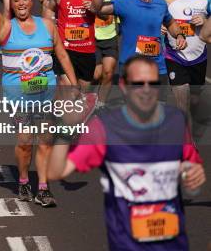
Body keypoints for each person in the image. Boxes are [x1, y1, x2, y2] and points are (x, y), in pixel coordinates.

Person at [48, 55, 206, 251]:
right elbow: (56, 171)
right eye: (139, 83)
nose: (147, 90)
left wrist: (191, 176)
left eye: (153, 83)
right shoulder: (103, 127)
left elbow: (192, 177)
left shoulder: (175, 122)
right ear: (123, 85)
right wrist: (66, 128)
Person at [0, 0, 77, 207]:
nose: (20, 4)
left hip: (46, 90)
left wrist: (74, 84)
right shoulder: (6, 28)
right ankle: (24, 180)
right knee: (26, 140)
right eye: (16, 0)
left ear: (32, 1)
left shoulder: (48, 26)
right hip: (18, 93)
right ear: (12, 4)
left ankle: (43, 187)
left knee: (46, 138)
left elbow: (62, 55)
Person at [92, 0, 187, 81]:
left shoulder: (160, 3)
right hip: (131, 68)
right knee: (136, 100)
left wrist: (179, 35)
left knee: (163, 100)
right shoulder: (124, 1)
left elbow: (171, 22)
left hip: (158, 67)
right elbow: (95, 8)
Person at [160, 0, 211, 120]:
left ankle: (191, 114)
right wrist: (159, 26)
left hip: (198, 56)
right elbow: (155, 18)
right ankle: (186, 140)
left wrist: (205, 19)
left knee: (194, 99)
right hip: (174, 56)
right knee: (182, 105)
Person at [45, 0, 98, 89]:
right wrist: (51, 23)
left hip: (87, 49)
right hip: (64, 49)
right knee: (67, 87)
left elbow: (103, 11)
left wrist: (94, 7)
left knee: (82, 90)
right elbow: (49, 9)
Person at [92, 0, 122, 108]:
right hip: (93, 38)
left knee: (108, 72)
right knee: (96, 74)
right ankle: (88, 97)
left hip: (110, 37)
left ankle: (100, 103)